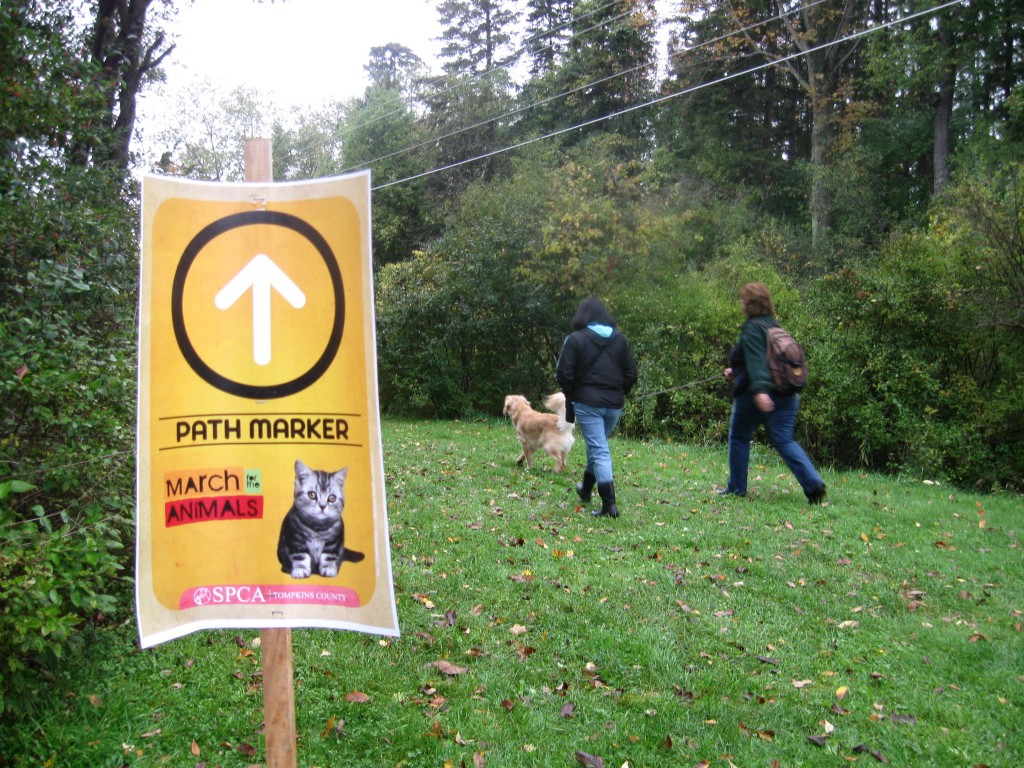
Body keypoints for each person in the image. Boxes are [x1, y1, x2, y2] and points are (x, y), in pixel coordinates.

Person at [718, 282, 826, 504]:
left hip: (756, 395)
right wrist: (735, 370)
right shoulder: (774, 327)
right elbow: (767, 360)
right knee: (785, 440)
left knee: (739, 436)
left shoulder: (751, 328)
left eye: (743, 300)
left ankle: (737, 488)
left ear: (749, 303)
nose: (741, 303)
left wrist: (759, 391)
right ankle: (813, 484)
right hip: (787, 394)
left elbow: (758, 362)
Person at [556, 297, 638, 518]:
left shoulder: (574, 340)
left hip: (587, 404)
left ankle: (609, 506)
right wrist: (619, 393)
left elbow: (563, 374)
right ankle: (585, 488)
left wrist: (572, 394)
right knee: (597, 444)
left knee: (599, 449)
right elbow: (631, 374)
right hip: (614, 405)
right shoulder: (620, 340)